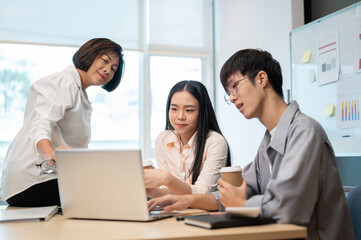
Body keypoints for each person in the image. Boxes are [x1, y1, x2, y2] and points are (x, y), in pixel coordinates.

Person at [148, 49, 355, 240]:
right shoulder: (269, 140)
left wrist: (241, 204)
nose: (232, 97)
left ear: (262, 79)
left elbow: (286, 209)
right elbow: (237, 190)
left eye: (235, 86)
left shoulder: (304, 132)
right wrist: (187, 201)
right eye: (229, 91)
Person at [0, 38, 125, 207]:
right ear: (90, 54)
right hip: (31, 181)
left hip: (47, 179)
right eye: (104, 60)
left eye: (113, 68)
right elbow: (41, 125)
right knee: (109, 194)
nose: (107, 70)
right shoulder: (63, 82)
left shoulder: (80, 93)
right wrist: (49, 153)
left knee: (112, 188)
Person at [144, 80, 231, 198]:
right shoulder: (162, 139)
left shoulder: (215, 142)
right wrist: (149, 192)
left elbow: (204, 192)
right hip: (175, 211)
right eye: (174, 109)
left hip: (205, 214)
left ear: (202, 112)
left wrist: (166, 179)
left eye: (189, 110)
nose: (180, 117)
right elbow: (169, 190)